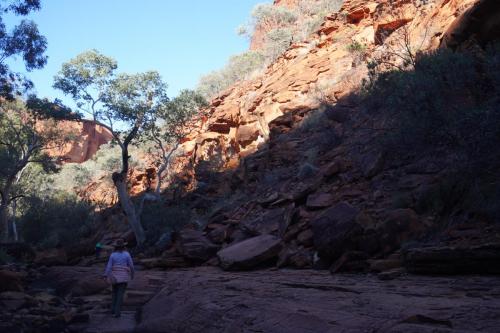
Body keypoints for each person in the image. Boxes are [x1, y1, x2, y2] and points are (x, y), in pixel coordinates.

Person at [103, 239, 135, 318]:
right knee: (120, 294)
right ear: (124, 246)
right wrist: (132, 274)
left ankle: (112, 310)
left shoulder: (113, 255)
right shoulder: (127, 254)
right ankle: (117, 312)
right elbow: (131, 265)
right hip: (123, 277)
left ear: (116, 247)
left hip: (114, 277)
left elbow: (109, 266)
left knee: (114, 293)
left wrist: (105, 275)